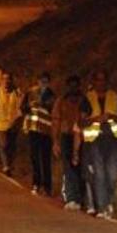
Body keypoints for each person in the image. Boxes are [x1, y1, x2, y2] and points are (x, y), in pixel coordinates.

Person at [80, 70, 117, 219]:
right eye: (98, 80)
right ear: (93, 82)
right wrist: (95, 119)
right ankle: (101, 207)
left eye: (104, 80)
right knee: (99, 174)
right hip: (95, 140)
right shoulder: (87, 98)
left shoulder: (115, 96)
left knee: (112, 175)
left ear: (107, 81)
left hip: (111, 139)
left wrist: (111, 116)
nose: (101, 83)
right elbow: (81, 122)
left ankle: (110, 202)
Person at [52, 75, 86, 211]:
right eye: (70, 85)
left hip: (82, 136)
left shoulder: (84, 100)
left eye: (75, 85)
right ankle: (72, 198)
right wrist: (55, 141)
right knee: (69, 167)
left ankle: (82, 198)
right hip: (66, 136)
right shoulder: (61, 101)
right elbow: (55, 121)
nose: (73, 88)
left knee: (81, 167)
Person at [22, 72, 55, 195]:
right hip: (33, 129)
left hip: (46, 130)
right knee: (34, 157)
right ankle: (36, 184)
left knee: (46, 159)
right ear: (37, 81)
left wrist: (43, 104)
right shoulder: (30, 92)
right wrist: (29, 106)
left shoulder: (51, 94)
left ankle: (47, 187)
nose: (43, 83)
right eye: (41, 81)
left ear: (49, 82)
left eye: (45, 81)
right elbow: (22, 107)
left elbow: (53, 109)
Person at [0, 70, 23, 176]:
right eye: (4, 79)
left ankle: (10, 164)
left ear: (12, 80)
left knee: (12, 145)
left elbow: (21, 107)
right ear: (1, 80)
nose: (6, 81)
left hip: (13, 124)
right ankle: (5, 166)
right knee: (3, 144)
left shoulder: (17, 92)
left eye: (8, 79)